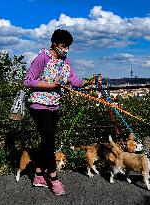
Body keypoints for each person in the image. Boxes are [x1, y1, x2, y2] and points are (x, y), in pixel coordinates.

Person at [24, 29, 90, 195]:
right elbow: (28, 81)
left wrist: (90, 81)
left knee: (47, 142)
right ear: (54, 44)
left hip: (54, 105)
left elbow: (74, 81)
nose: (65, 49)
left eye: (68, 46)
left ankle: (38, 175)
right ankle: (53, 178)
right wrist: (51, 86)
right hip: (38, 104)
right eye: (63, 46)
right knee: (50, 141)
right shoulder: (42, 58)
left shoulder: (64, 62)